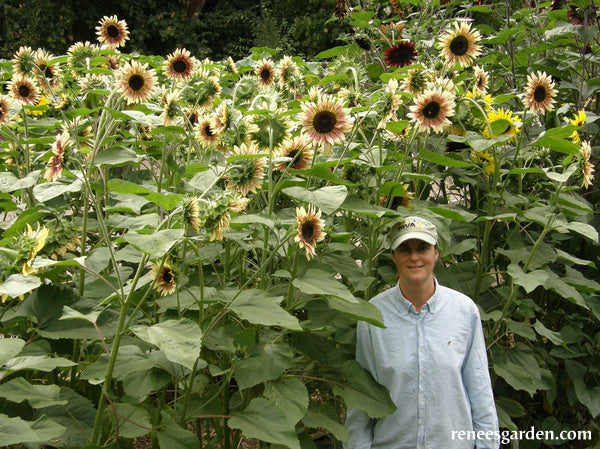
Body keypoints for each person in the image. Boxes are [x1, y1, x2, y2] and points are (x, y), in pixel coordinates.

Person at [344, 216, 500, 449]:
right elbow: (361, 396)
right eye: (405, 249)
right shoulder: (372, 316)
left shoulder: (464, 311)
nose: (414, 257)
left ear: (436, 253)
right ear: (394, 256)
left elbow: (479, 389)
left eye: (423, 248)